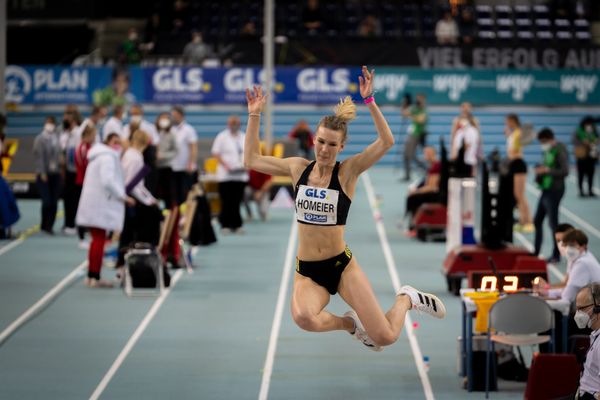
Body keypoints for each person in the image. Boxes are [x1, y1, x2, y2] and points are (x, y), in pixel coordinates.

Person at [243, 66, 446, 352]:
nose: (324, 149)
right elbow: (251, 158)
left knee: (386, 336)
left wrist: (370, 101)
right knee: (303, 318)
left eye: (332, 144)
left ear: (342, 146)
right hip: (307, 271)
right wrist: (254, 114)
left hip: (340, 266)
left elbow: (387, 141)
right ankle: (350, 325)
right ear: (314, 140)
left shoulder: (348, 172)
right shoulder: (297, 168)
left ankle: (407, 298)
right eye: (321, 142)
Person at [76, 133, 134, 288]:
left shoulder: (99, 155)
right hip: (99, 205)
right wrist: (123, 197)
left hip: (95, 204)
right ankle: (94, 276)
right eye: (114, 141)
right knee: (99, 241)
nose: (117, 145)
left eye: (119, 142)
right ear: (107, 142)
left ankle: (91, 275)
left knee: (97, 239)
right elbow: (107, 181)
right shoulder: (107, 157)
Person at [117, 130, 160, 272]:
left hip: (132, 197)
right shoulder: (135, 158)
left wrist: (150, 198)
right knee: (130, 231)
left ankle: (123, 262)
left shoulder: (130, 154)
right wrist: (147, 201)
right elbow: (132, 184)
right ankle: (127, 261)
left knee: (127, 231)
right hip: (131, 200)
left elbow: (138, 185)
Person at [534, 229, 600, 304]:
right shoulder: (577, 257)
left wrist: (537, 301)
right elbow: (567, 289)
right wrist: (548, 292)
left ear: (583, 246)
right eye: (566, 245)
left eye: (572, 245)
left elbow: (566, 303)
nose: (568, 248)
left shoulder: (582, 264)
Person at [534, 128, 569, 263]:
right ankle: (536, 251)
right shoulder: (548, 150)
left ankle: (556, 254)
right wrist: (540, 169)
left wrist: (548, 170)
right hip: (546, 189)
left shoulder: (560, 150)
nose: (542, 144)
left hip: (555, 190)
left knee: (553, 223)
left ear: (550, 139)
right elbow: (547, 164)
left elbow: (565, 171)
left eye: (544, 141)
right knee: (537, 220)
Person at [212, 115, 249, 233]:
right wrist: (226, 165)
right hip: (225, 175)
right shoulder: (222, 137)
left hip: (240, 175)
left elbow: (249, 153)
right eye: (232, 123)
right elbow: (216, 153)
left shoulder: (244, 137)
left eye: (236, 123)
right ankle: (225, 224)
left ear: (239, 124)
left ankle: (237, 224)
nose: (234, 125)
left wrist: (246, 166)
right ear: (228, 124)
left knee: (237, 201)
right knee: (226, 200)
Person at [33, 116, 62, 235]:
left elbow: (60, 154)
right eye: (48, 123)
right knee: (47, 201)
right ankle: (43, 225)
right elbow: (38, 157)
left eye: (52, 123)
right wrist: (42, 172)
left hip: (55, 173)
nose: (50, 125)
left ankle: (50, 226)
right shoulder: (40, 139)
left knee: (54, 202)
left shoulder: (57, 138)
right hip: (43, 174)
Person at [505, 114, 534, 233]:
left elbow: (518, 152)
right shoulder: (514, 133)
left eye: (507, 121)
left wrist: (511, 155)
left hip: (519, 165)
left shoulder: (518, 133)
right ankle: (522, 221)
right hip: (513, 165)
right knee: (517, 196)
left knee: (520, 195)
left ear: (513, 121)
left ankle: (529, 222)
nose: (506, 124)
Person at [404, 146, 441, 234]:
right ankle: (413, 225)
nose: (424, 155)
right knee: (413, 196)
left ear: (431, 154)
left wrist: (416, 191)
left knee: (413, 198)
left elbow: (431, 187)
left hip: (435, 195)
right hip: (432, 192)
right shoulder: (432, 165)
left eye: (426, 153)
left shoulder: (436, 166)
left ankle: (413, 227)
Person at [574, 283, 600, 399]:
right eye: (577, 309)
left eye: (582, 309)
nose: (577, 314)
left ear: (597, 307)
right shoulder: (595, 334)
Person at [74, 124, 97, 249]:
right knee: (82, 210)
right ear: (87, 136)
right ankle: (81, 238)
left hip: (88, 183)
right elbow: (85, 166)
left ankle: (86, 234)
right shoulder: (82, 148)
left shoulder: (89, 147)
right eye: (93, 135)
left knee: (89, 210)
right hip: (82, 182)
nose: (94, 138)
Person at [170, 106, 198, 205]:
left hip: (185, 168)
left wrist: (191, 163)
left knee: (185, 195)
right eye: (172, 116)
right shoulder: (171, 129)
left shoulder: (188, 129)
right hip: (173, 167)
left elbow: (193, 148)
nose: (173, 118)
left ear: (181, 116)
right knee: (175, 196)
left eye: (175, 116)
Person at [59, 110, 81, 236]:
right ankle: (68, 223)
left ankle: (73, 224)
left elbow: (75, 152)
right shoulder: (65, 133)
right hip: (67, 170)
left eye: (67, 119)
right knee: (67, 198)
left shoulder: (77, 133)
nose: (65, 121)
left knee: (74, 198)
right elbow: (62, 149)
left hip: (75, 171)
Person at [402, 93, 428, 181]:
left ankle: (425, 168)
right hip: (411, 133)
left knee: (410, 155)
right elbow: (404, 114)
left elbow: (421, 120)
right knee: (408, 155)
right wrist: (405, 104)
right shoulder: (414, 108)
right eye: (417, 99)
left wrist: (412, 115)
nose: (418, 101)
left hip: (417, 134)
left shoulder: (423, 110)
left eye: (420, 99)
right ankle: (408, 174)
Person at [155, 112, 177, 209]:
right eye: (162, 118)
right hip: (155, 167)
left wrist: (164, 156)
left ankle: (168, 212)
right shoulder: (154, 132)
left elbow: (175, 150)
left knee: (168, 192)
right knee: (155, 191)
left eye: (166, 119)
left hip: (166, 166)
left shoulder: (171, 134)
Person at [573, 116, 599, 197]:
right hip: (581, 156)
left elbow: (597, 138)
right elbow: (574, 141)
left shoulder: (593, 130)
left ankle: (590, 190)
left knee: (591, 173)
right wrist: (583, 142)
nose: (589, 125)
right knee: (581, 174)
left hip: (591, 155)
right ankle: (581, 190)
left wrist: (595, 141)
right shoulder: (578, 131)